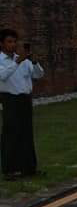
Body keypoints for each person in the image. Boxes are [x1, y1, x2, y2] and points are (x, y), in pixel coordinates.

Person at [0, 29, 44, 180]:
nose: (13, 45)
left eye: (14, 41)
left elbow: (38, 75)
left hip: (25, 99)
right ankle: (9, 170)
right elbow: (3, 76)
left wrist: (34, 62)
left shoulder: (23, 59)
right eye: (9, 42)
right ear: (2, 44)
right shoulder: (2, 60)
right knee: (11, 134)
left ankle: (29, 168)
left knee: (26, 133)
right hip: (10, 99)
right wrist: (17, 62)